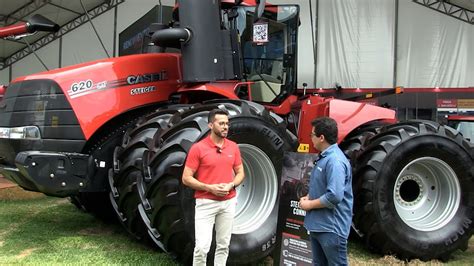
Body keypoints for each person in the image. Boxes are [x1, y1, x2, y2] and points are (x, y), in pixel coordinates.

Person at [182, 109, 245, 266]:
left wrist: (231, 184)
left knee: (223, 246)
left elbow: (240, 173)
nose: (225, 127)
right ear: (211, 125)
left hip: (228, 203)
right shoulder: (198, 148)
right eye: (221, 123)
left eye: (227, 124)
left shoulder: (233, 147)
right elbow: (186, 178)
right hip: (205, 203)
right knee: (202, 248)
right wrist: (209, 188)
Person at [299, 117, 353, 266]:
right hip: (318, 225)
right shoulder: (325, 158)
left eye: (312, 135)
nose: (311, 139)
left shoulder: (335, 161)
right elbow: (324, 187)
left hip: (331, 229)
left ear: (321, 137)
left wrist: (309, 205)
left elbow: (334, 196)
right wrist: (309, 196)